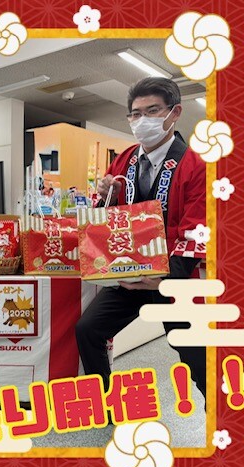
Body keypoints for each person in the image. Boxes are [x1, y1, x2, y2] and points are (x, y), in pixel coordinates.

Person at [75, 77, 207, 400]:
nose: (141, 120)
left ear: (174, 113)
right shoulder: (124, 160)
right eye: (135, 114)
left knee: (198, 358)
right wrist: (105, 196)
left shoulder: (196, 165)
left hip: (173, 280)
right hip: (130, 276)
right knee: (88, 329)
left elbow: (197, 231)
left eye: (152, 111)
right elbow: (107, 221)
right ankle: (105, 404)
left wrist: (164, 279)